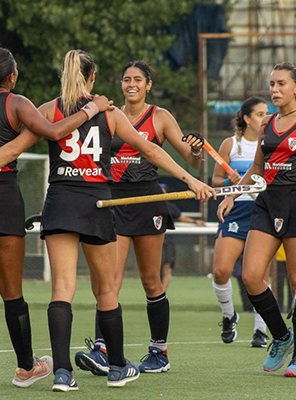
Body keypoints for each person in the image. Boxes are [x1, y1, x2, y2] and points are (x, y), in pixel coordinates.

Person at [0, 50, 213, 391]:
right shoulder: (108, 112)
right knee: (107, 290)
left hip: (60, 204)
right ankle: (117, 368)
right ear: (92, 78)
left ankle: (63, 374)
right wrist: (193, 181)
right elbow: (152, 151)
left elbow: (10, 150)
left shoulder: (48, 110)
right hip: (96, 204)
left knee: (61, 290)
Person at [0, 47, 113, 392]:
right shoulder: (17, 103)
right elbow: (56, 132)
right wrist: (92, 108)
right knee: (12, 292)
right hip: (1, 198)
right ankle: (26, 366)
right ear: (11, 76)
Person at [75, 60, 206, 375]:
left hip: (149, 201)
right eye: (126, 79)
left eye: (137, 80)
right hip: (114, 200)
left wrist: (197, 150)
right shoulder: (110, 115)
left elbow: (191, 161)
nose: (131, 84)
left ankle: (159, 352)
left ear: (148, 84)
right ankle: (103, 349)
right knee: (111, 280)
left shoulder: (160, 117)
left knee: (151, 280)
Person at [217, 62, 296, 378]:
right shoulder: (267, 124)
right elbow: (257, 169)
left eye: (281, 84)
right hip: (266, 205)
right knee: (251, 277)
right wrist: (233, 193)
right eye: (272, 84)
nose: (274, 89)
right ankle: (281, 336)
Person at [210, 97, 269, 348]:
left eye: (268, 114)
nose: (265, 119)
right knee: (221, 271)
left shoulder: (270, 144)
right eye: (260, 114)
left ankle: (260, 329)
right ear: (246, 118)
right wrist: (228, 182)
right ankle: (228, 315)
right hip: (235, 210)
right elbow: (215, 180)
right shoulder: (231, 145)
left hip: (261, 210)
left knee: (259, 275)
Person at [160, 183, 206, 291]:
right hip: (153, 241)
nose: (161, 192)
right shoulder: (149, 206)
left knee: (166, 269)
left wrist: (195, 221)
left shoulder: (170, 207)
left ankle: (162, 294)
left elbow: (181, 217)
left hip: (167, 242)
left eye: (163, 190)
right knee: (154, 270)